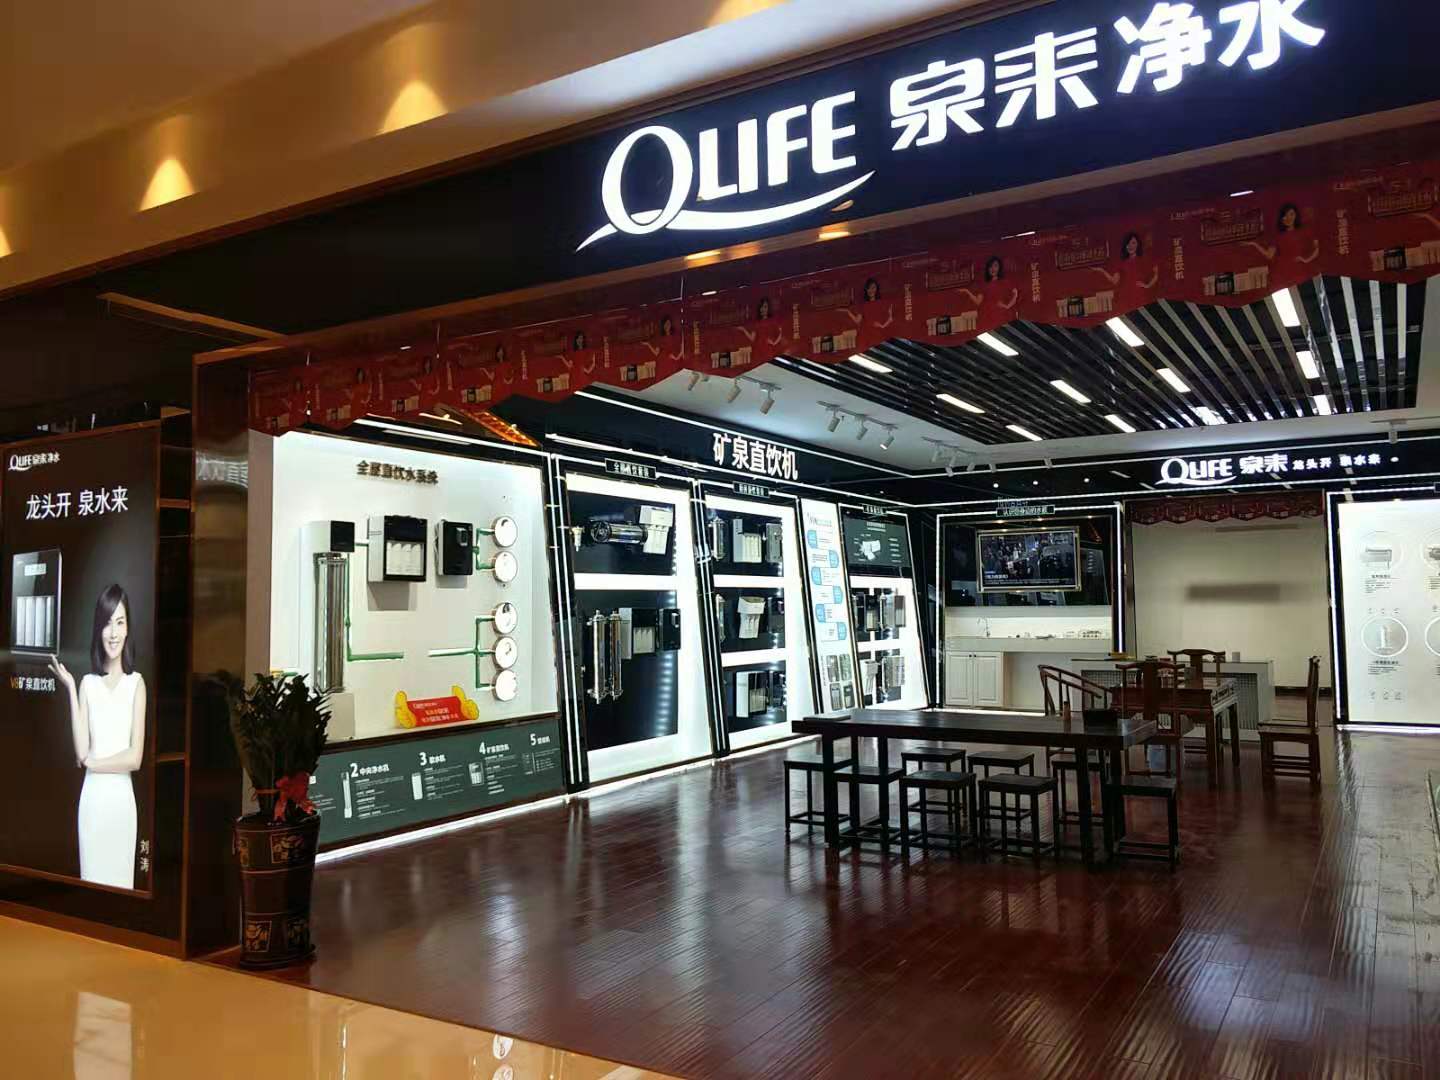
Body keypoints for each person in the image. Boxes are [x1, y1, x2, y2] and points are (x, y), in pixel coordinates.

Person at [49, 585, 146, 890]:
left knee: (121, 887)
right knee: (91, 888)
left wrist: (95, 763)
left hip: (121, 804)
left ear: (128, 628)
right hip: (92, 802)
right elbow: (81, 751)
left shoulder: (136, 684)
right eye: (106, 623)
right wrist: (70, 688)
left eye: (120, 622)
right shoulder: (87, 684)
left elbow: (135, 758)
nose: (113, 633)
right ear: (98, 629)